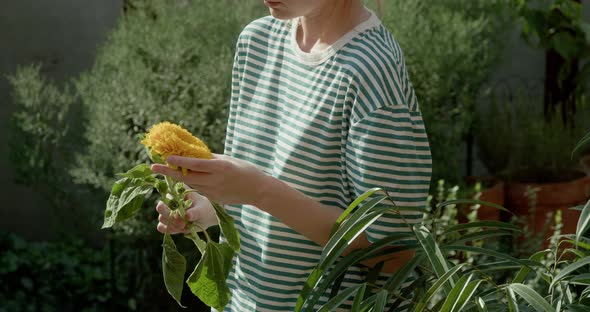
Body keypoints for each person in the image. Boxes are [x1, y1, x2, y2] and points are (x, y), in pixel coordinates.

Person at [151, 0, 432, 310]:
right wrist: (209, 208)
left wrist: (258, 190)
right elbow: (266, 190)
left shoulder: (372, 73)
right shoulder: (256, 42)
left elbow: (394, 254)